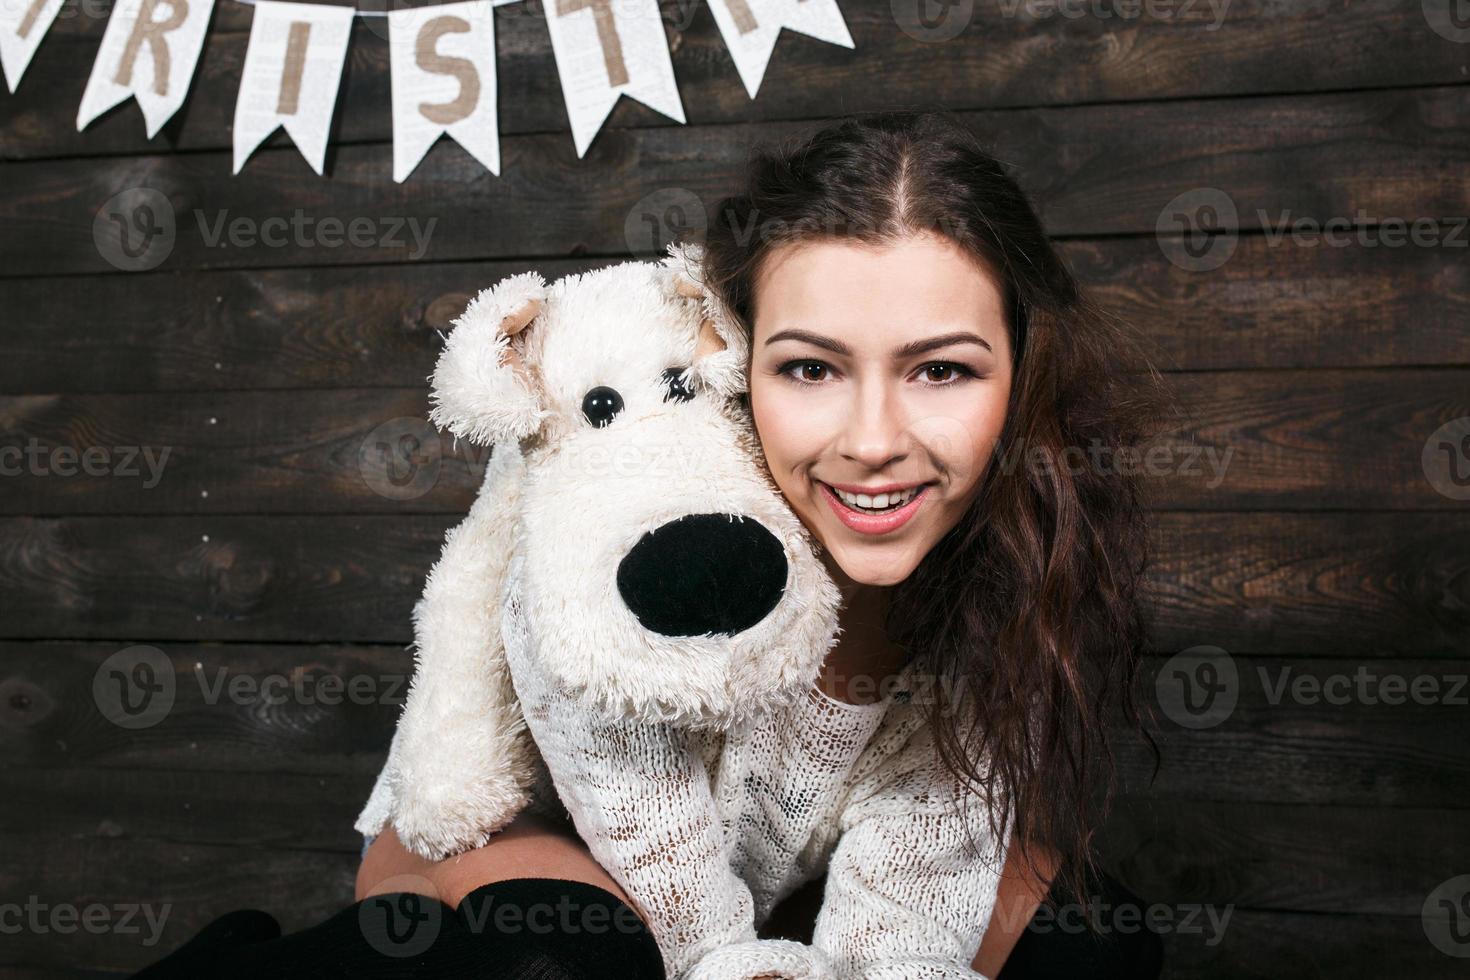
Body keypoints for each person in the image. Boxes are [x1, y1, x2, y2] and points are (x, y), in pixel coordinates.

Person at [130, 108, 1172, 979]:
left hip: (779, 875)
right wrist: (713, 953)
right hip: (553, 845)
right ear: (735, 358)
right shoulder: (642, 491)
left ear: (1022, 372)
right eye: (811, 368)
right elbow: (622, 790)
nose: (872, 442)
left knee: (1095, 938)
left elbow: (928, 829)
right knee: (584, 953)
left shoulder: (1018, 534)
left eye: (941, 370)